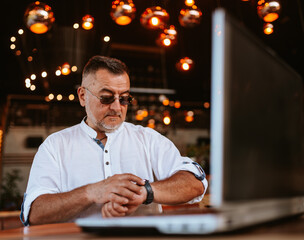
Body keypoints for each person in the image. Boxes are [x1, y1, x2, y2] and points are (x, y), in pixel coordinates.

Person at [20, 55, 208, 226]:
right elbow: (34, 213)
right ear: (83, 96)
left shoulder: (148, 139)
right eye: (107, 97)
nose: (117, 108)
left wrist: (145, 192)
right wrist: (92, 192)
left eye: (124, 98)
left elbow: (195, 182)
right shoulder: (55, 146)